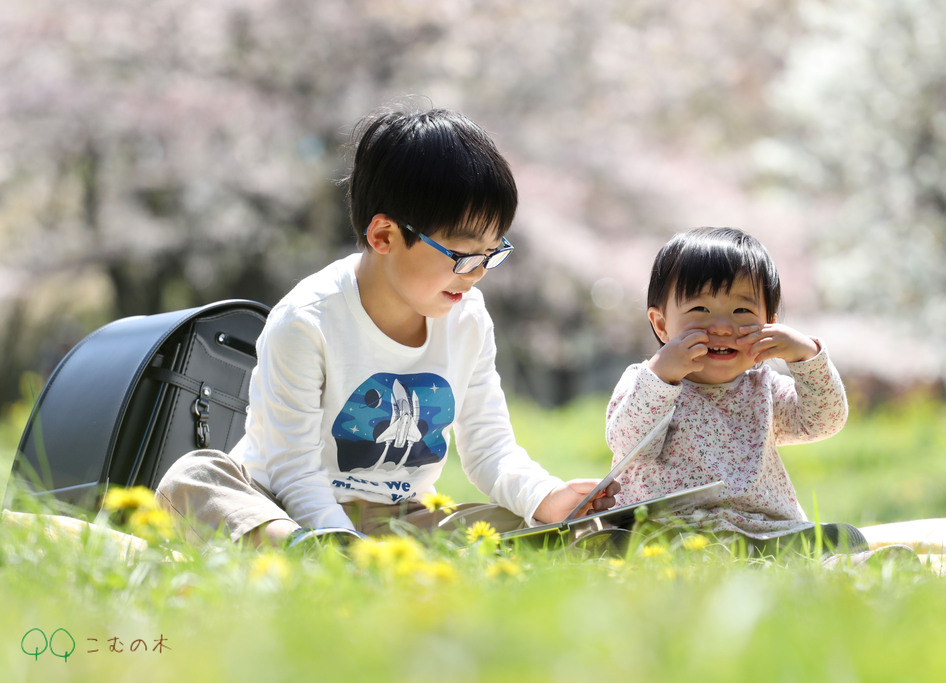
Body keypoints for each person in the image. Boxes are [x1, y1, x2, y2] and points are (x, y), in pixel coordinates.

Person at [156, 106, 617, 547]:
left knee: (519, 524)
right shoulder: (306, 321)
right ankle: (310, 553)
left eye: (492, 254)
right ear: (384, 236)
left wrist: (547, 497)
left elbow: (489, 449)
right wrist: (340, 541)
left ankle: (335, 561)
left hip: (401, 520)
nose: (477, 273)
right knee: (193, 479)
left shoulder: (468, 318)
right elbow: (292, 471)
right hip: (282, 508)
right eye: (463, 256)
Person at [605, 227, 866, 556]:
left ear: (769, 325)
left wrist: (806, 356)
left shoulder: (764, 388)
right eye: (700, 310)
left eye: (742, 311)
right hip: (673, 529)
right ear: (661, 325)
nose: (722, 327)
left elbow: (823, 420)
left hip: (762, 530)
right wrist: (662, 377)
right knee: (631, 546)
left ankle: (848, 563)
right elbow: (631, 447)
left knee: (839, 538)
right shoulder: (645, 383)